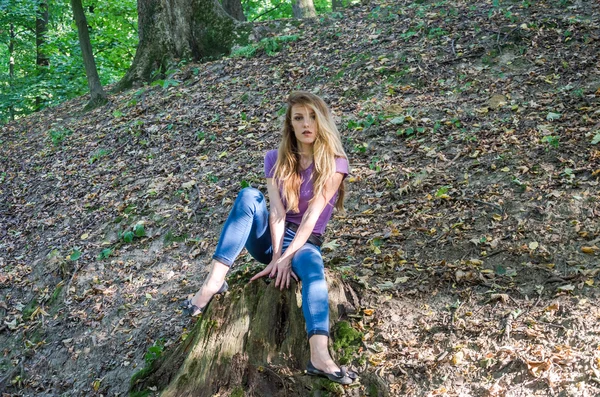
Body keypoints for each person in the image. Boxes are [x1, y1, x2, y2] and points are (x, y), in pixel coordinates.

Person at [182, 91, 357, 385]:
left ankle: (319, 356)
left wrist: (288, 258)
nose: (306, 124)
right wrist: (276, 257)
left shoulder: (336, 164)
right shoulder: (275, 159)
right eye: (298, 118)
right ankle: (213, 283)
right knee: (249, 195)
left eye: (312, 116)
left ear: (323, 121)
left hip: (306, 242)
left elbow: (312, 217)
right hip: (270, 240)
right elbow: (276, 213)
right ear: (290, 124)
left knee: (314, 273)